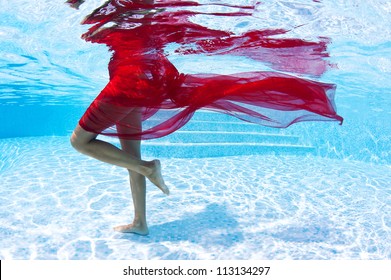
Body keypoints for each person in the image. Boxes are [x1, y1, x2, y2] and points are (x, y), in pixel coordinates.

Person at [66, 0, 343, 236]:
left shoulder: (129, 10)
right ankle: (140, 222)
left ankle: (149, 169)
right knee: (130, 155)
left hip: (131, 78)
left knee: (80, 142)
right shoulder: (134, 13)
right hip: (148, 74)